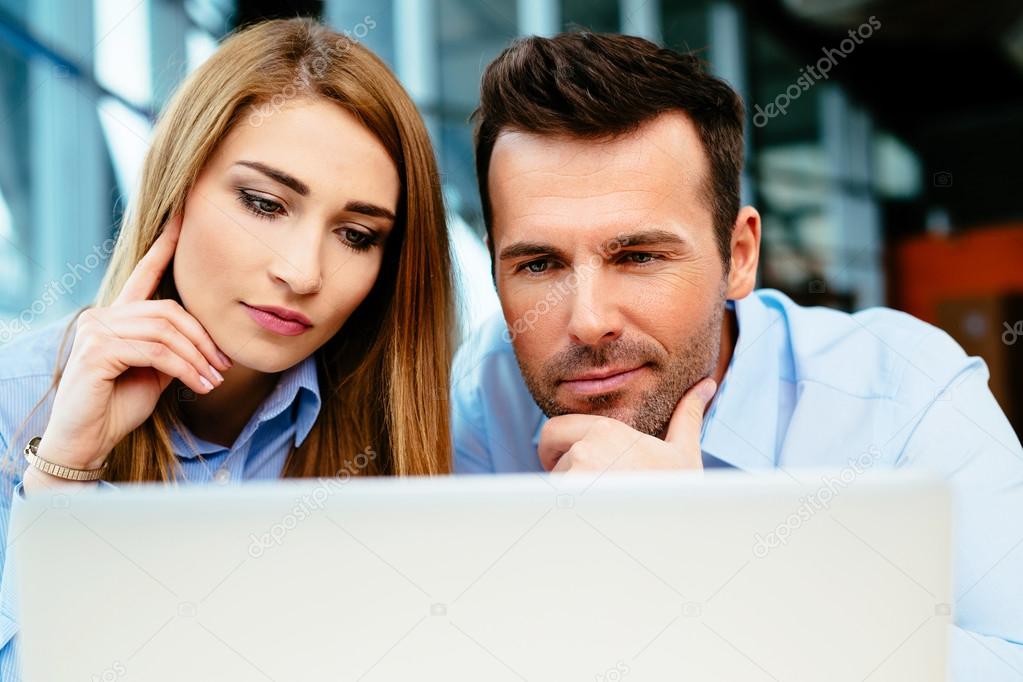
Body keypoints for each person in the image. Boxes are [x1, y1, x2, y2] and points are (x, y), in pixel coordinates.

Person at [452, 32, 1023, 680]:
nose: (587, 321)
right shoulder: (484, 393)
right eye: (538, 263)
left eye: (638, 256)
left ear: (739, 256)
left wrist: (708, 550)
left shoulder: (901, 393)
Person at [0, 17, 453, 677]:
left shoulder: (405, 421)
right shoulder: (15, 399)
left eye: (356, 235)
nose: (302, 273)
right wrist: (66, 472)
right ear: (176, 187)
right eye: (265, 204)